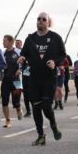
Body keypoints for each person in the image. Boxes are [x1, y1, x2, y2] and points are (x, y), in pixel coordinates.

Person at [21, 12, 66, 145]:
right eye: (38, 19)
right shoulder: (30, 38)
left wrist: (55, 62)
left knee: (46, 107)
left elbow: (62, 55)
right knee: (36, 108)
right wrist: (22, 58)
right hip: (34, 78)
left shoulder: (55, 37)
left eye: (43, 19)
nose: (40, 21)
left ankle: (53, 124)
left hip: (49, 78)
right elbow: (24, 54)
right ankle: (41, 135)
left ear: (48, 22)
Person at [1, 34, 23, 127]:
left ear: (10, 42)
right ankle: (7, 120)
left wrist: (20, 69)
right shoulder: (3, 53)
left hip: (16, 81)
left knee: (16, 102)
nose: (3, 42)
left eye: (5, 41)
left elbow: (25, 62)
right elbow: (0, 64)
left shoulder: (18, 52)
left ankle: (18, 108)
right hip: (5, 80)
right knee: (4, 101)